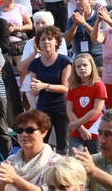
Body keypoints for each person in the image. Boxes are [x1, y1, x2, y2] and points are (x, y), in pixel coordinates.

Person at [26, 26, 72, 155]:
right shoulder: (34, 64)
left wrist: (44, 86)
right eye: (43, 39)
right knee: (41, 145)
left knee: (63, 146)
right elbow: (35, 91)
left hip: (61, 109)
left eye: (50, 39)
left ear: (56, 42)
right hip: (43, 109)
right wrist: (34, 87)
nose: (46, 42)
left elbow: (65, 88)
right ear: (38, 43)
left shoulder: (64, 61)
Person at [0, 110, 61, 191]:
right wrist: (3, 181)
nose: (24, 134)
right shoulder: (11, 160)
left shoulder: (55, 162)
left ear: (44, 132)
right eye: (19, 130)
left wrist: (15, 179)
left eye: (30, 130)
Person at [66, 53, 106, 154]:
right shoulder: (73, 86)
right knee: (75, 158)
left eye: (85, 65)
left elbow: (96, 110)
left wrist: (77, 124)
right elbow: (69, 110)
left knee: (96, 159)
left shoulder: (98, 85)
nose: (82, 68)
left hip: (94, 129)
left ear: (92, 66)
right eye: (78, 66)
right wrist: (81, 128)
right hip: (77, 130)